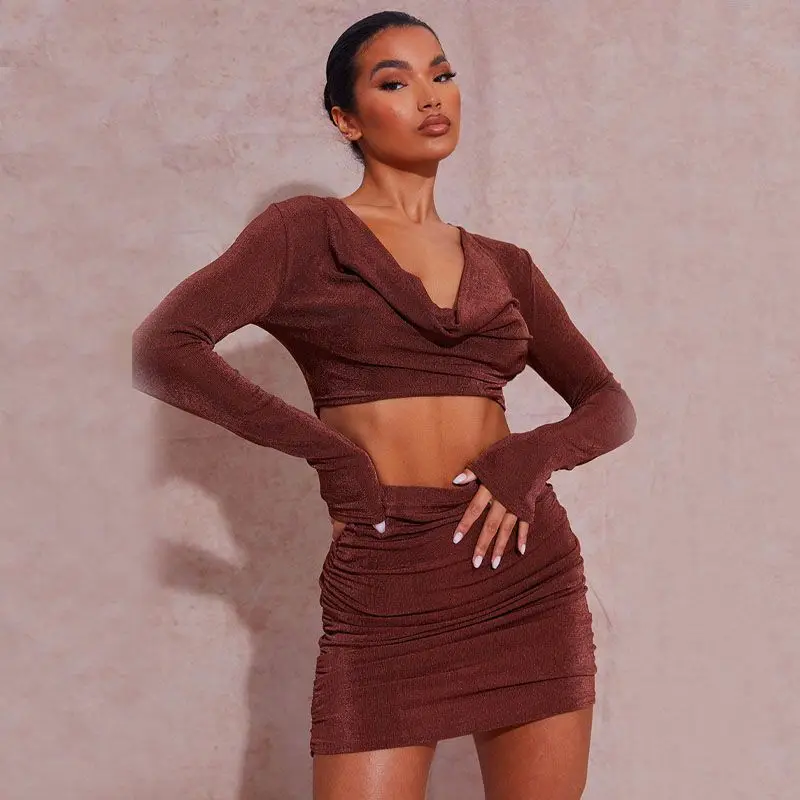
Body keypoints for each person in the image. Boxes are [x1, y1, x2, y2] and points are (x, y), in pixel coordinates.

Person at [132, 10, 637, 800]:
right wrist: (329, 455)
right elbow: (163, 347)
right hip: (386, 568)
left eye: (442, 74)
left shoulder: (506, 265)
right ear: (347, 119)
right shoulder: (304, 232)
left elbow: (610, 404)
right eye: (395, 82)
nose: (430, 96)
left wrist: (531, 455)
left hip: (523, 570)